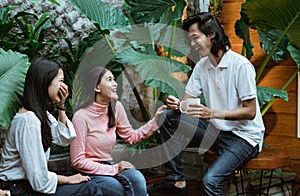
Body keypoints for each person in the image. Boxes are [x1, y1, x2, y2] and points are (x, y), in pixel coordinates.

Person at [147, 12, 265, 196]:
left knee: (210, 181)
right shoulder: (202, 66)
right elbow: (188, 103)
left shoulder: (241, 65)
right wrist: (178, 105)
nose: (192, 44)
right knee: (166, 117)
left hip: (244, 138)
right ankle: (176, 180)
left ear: (212, 34)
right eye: (190, 39)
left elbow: (250, 112)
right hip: (216, 132)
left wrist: (212, 113)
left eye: (195, 37)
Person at [0, 58, 102, 196]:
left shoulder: (40, 114)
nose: (64, 86)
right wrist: (67, 179)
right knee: (90, 189)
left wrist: (61, 107)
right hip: (18, 188)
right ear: (45, 83)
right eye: (60, 81)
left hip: (29, 186)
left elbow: (65, 138)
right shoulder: (28, 121)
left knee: (88, 186)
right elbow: (39, 179)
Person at [70, 65, 166, 196]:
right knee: (117, 189)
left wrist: (155, 121)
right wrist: (114, 168)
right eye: (109, 79)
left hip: (109, 164)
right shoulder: (81, 117)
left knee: (137, 179)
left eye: (114, 79)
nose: (115, 84)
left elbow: (132, 137)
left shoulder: (116, 107)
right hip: (89, 171)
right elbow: (77, 161)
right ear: (96, 87)